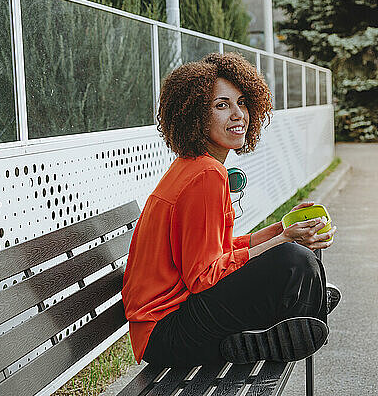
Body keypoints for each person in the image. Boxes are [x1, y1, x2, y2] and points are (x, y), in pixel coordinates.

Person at [121, 52, 339, 367]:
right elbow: (204, 277)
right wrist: (283, 243)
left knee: (295, 251)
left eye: (241, 102)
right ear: (195, 115)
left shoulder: (194, 166)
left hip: (168, 327)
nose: (238, 114)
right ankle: (301, 311)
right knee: (294, 260)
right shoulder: (206, 175)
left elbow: (219, 251)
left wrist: (282, 229)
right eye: (222, 105)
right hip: (167, 334)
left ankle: (297, 313)